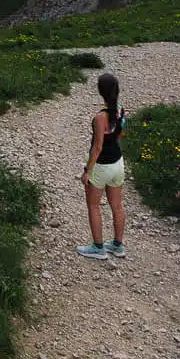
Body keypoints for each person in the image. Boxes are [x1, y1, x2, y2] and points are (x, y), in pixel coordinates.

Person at [77, 72, 126, 260]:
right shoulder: (121, 110)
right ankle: (117, 245)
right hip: (118, 163)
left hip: (102, 166)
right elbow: (120, 135)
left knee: (94, 206)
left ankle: (98, 247)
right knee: (117, 206)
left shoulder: (100, 117)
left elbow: (97, 147)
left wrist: (87, 171)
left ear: (100, 91)